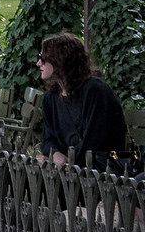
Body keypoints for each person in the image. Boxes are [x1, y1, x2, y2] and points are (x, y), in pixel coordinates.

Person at [36, 33, 131, 166]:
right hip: (68, 171)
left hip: (102, 171)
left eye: (43, 58)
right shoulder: (50, 98)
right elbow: (47, 139)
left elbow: (93, 143)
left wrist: (69, 163)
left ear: (60, 60)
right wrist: (55, 154)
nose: (38, 63)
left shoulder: (95, 91)